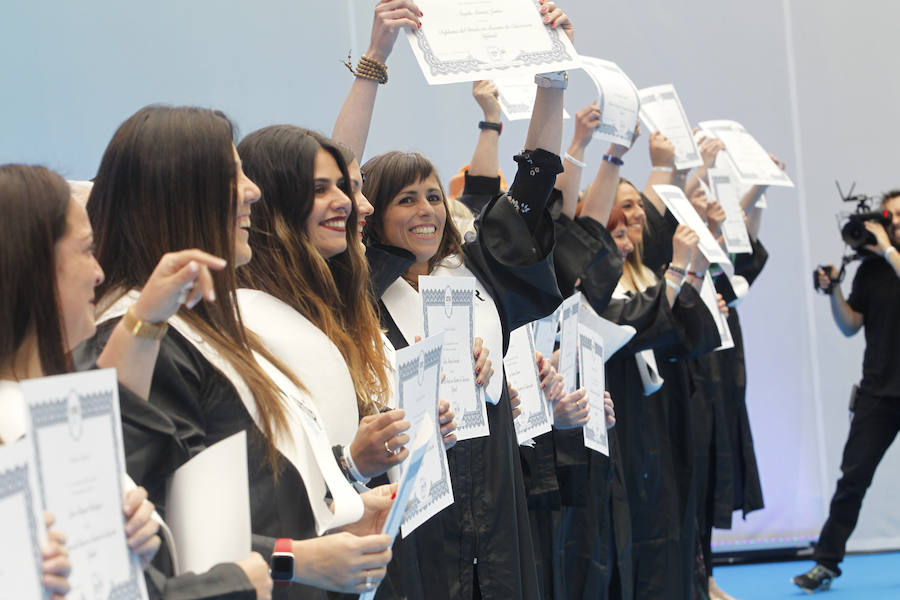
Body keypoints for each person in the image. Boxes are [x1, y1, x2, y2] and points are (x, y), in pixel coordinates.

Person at [79, 105, 395, 599]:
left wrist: (334, 515)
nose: (252, 192)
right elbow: (163, 532)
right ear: (180, 195)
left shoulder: (199, 324)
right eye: (234, 177)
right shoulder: (138, 339)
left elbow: (250, 487)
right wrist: (297, 558)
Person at [0, 164, 271, 599]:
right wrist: (234, 585)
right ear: (33, 269)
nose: (99, 272)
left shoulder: (45, 405)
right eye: (86, 250)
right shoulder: (16, 432)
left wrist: (137, 554)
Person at [792, 190, 900, 593]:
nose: (896, 222)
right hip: (878, 392)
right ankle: (825, 563)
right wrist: (834, 289)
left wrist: (888, 249)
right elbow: (850, 324)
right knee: (852, 479)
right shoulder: (870, 270)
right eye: (892, 215)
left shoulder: (889, 258)